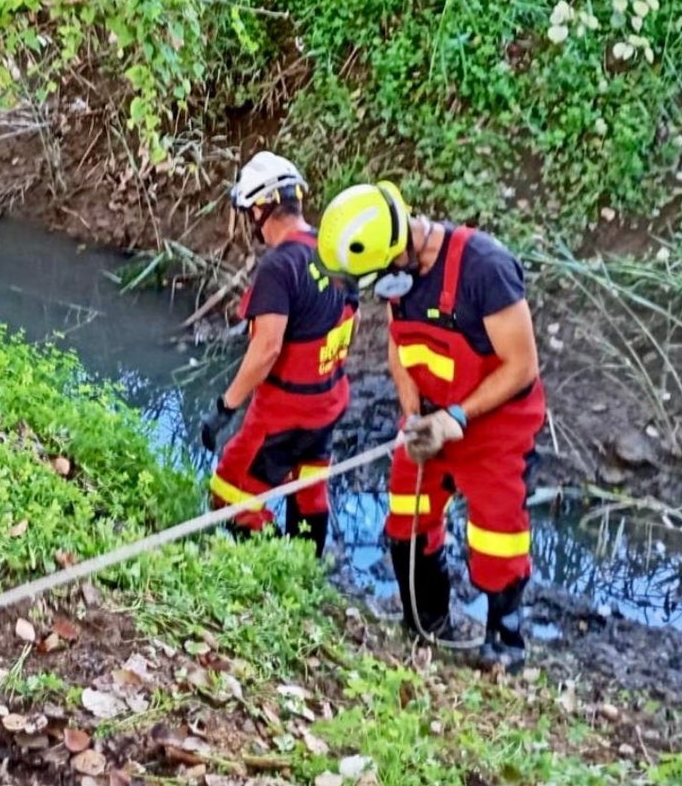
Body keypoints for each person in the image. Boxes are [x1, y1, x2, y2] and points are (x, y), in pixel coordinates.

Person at [315, 181, 545, 673]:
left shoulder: (484, 268)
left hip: (494, 427)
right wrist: (414, 415)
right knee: (405, 521)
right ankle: (428, 623)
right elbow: (401, 349)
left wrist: (456, 418)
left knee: (496, 539)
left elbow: (521, 365)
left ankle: (504, 644)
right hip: (430, 422)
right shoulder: (400, 276)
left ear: (399, 247)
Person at [199, 152, 359, 558]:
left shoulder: (279, 267)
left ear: (259, 208)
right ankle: (305, 569)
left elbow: (267, 347)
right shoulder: (336, 253)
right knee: (308, 488)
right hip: (329, 401)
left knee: (230, 490)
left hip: (284, 411)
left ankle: (268, 570)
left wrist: (225, 406)